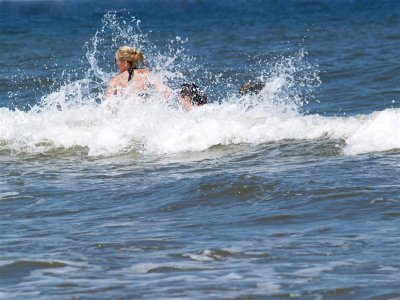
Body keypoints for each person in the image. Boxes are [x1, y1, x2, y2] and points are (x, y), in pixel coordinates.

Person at [105, 46, 170, 99]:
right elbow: (165, 91)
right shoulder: (146, 73)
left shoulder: (116, 80)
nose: (116, 64)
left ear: (125, 63)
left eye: (116, 61)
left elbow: (106, 105)